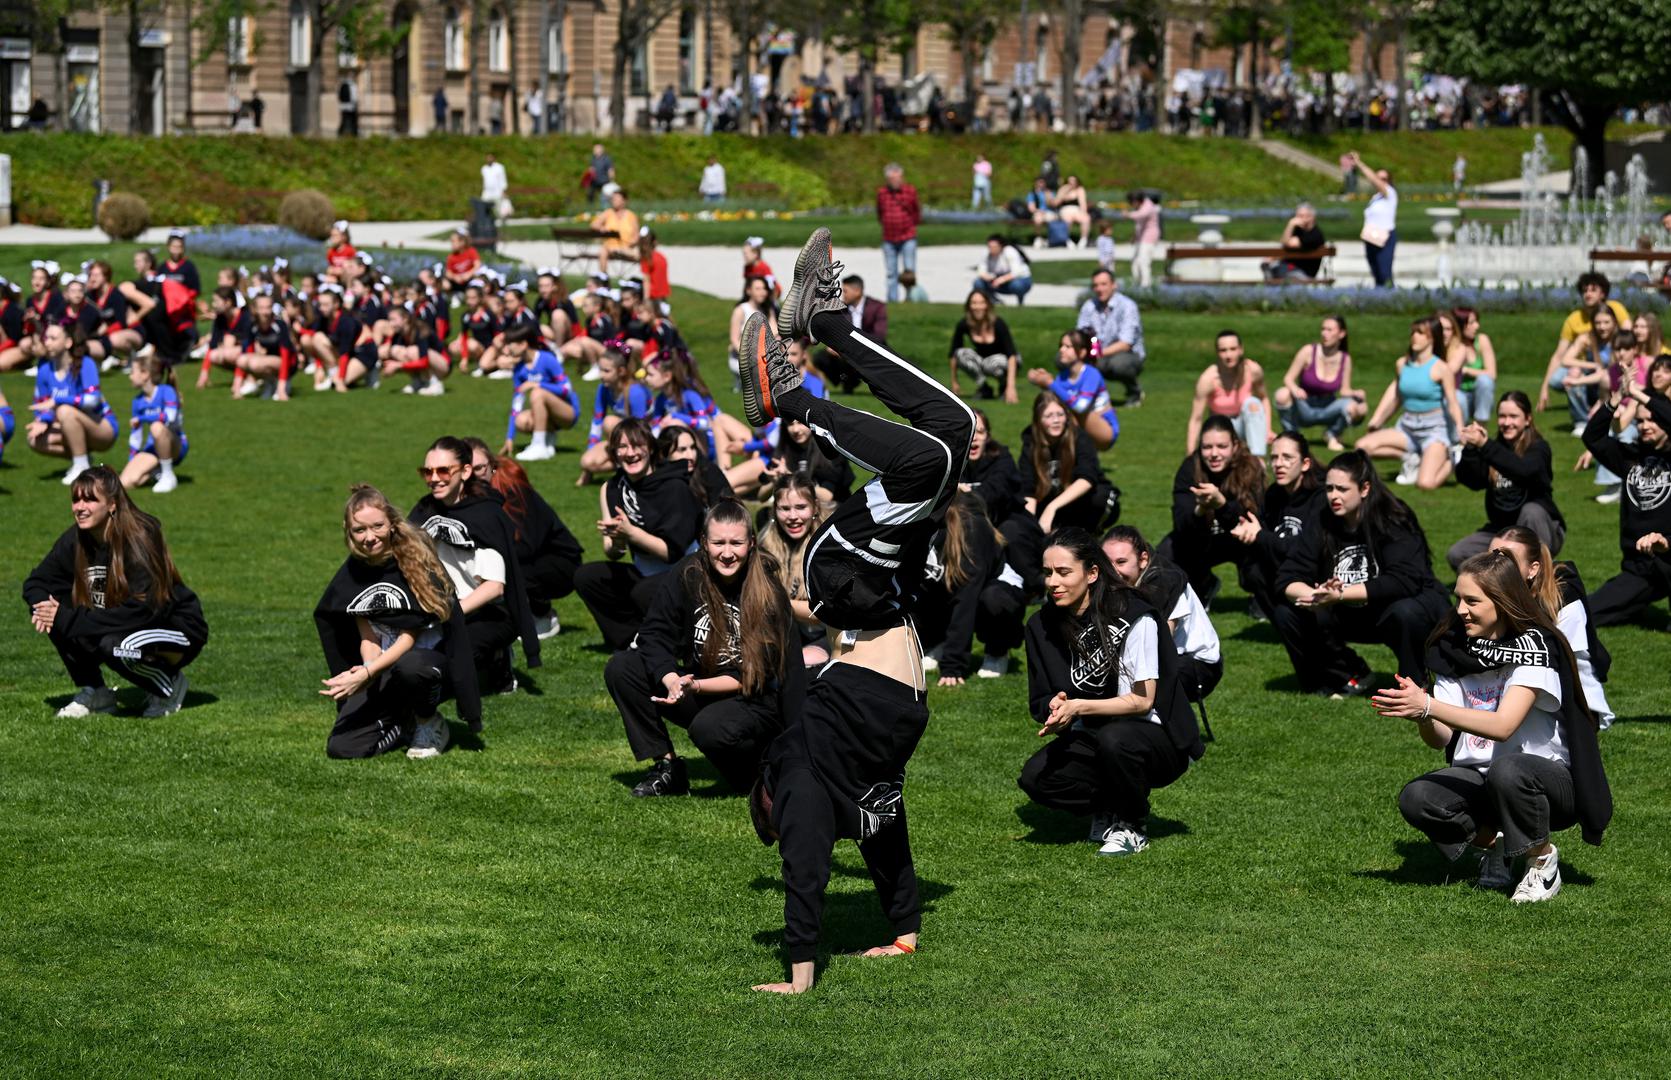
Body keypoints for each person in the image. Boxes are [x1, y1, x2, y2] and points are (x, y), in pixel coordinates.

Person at [742, 226, 975, 994]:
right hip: (856, 592)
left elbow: (804, 872)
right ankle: (819, 343)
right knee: (947, 440)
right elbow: (875, 837)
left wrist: (800, 971)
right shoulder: (840, 783)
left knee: (943, 446)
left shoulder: (802, 774)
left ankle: (812, 359)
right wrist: (903, 930)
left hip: (848, 580)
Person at [1379, 550, 1611, 903]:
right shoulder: (1451, 648)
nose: (1460, 609)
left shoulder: (1535, 645)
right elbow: (1441, 737)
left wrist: (1429, 704)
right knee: (1418, 797)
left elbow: (1504, 726)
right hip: (1483, 778)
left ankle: (1542, 861)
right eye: (1458, 597)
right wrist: (1424, 716)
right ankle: (1499, 847)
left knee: (1509, 768)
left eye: (1472, 600)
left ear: (1501, 603)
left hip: (1547, 784)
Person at [1017, 528, 1206, 856]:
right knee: (1036, 779)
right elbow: (1040, 697)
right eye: (1048, 573)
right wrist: (1055, 707)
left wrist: (1078, 707)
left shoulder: (1132, 613)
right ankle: (1109, 805)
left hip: (1156, 737)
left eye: (1063, 572)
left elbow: (1141, 700)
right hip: (1094, 733)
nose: (1052, 582)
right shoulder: (1039, 626)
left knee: (1115, 739)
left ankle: (1133, 824)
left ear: (1091, 573)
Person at [606, 499, 799, 796]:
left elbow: (752, 674)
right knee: (623, 668)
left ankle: (761, 776)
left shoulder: (767, 590)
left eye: (736, 543)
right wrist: (670, 677)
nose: (726, 553)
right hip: (696, 685)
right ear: (703, 543)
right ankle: (667, 768)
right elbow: (654, 634)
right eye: (718, 542)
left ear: (750, 543)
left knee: (709, 729)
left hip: (754, 699)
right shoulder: (689, 573)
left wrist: (694, 686)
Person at [23, 466, 207, 719]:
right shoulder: (77, 538)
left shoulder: (139, 537)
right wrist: (43, 606)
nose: (80, 507)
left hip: (174, 627)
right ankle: (97, 691)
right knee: (52, 611)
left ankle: (168, 685)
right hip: (122, 622)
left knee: (117, 646)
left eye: (89, 499)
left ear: (111, 504)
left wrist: (69, 619)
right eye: (76, 499)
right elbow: (37, 581)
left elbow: (145, 610)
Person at [315, 484, 479, 759]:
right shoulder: (355, 571)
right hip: (384, 666)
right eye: (360, 530)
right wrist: (366, 670)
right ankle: (405, 720)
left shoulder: (415, 560)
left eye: (377, 526)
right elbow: (368, 635)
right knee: (342, 748)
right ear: (348, 530)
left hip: (428, 663)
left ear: (391, 522)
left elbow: (409, 637)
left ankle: (428, 720)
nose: (369, 537)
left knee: (411, 666)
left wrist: (369, 674)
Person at [1272, 451, 1450, 697]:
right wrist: (1317, 595)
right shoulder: (1322, 518)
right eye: (1329, 488)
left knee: (1406, 612)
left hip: (1394, 609)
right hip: (1349, 610)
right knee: (1287, 611)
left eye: (1342, 489)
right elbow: (1288, 576)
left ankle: (1414, 687)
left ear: (1364, 488)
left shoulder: (1392, 515)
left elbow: (1404, 579)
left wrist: (1341, 594)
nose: (1333, 496)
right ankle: (1345, 675)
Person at [410, 436, 542, 697]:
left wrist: (449, 614)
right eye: (427, 471)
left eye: (443, 470)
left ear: (466, 471)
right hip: (440, 608)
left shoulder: (487, 515)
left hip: (490, 612)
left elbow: (495, 588)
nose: (434, 478)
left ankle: (497, 660)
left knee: (456, 654)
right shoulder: (425, 509)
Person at [573, 419, 704, 651]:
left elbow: (671, 553)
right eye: (622, 447)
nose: (630, 453)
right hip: (645, 571)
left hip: (686, 571)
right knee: (587, 577)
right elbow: (613, 552)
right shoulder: (612, 488)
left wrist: (631, 533)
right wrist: (618, 540)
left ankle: (672, 640)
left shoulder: (675, 487)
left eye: (637, 445)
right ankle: (629, 639)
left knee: (642, 591)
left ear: (650, 448)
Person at [1489, 527, 1614, 730]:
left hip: (1564, 699)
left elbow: (1565, 664)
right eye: (1490, 558)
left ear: (1533, 569)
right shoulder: (1483, 597)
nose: (1495, 568)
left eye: (1508, 562)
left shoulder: (1563, 601)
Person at [1103, 525, 1222, 713]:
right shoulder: (1117, 580)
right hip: (1172, 657)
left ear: (1143, 559)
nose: (1113, 571)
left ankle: (1164, 735)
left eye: (1121, 562)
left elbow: (1159, 645)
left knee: (1138, 680)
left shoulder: (1165, 583)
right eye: (1107, 563)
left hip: (1197, 665)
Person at [1581, 387, 1671, 626]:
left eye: (1653, 420)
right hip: (1642, 567)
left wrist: (1641, 396)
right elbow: (1593, 437)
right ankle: (1633, 605)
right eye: (1640, 421)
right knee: (1586, 614)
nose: (1645, 426)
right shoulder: (1630, 457)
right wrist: (1615, 400)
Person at [1158, 414, 1266, 608]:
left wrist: (1222, 505)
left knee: (1266, 543)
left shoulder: (1251, 467)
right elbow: (1181, 525)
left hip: (1241, 540)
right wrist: (1200, 510)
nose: (1214, 454)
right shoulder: (1190, 468)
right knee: (1165, 554)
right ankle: (1204, 583)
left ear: (1235, 445)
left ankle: (1262, 595)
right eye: (1207, 447)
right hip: (1204, 539)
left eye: (1222, 447)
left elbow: (1256, 520)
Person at [1448, 391, 1563, 568]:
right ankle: (1498, 590)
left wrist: (1485, 445)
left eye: (1513, 416)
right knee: (1458, 554)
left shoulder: (1538, 448)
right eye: (1502, 416)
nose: (1507, 422)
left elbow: (1524, 471)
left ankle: (1542, 580)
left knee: (1532, 510)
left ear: (1528, 419)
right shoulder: (1494, 448)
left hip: (1540, 529)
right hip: (1502, 530)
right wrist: (1471, 449)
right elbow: (1472, 481)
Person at [1355, 316, 1464, 490]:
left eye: (1420, 333)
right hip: (1407, 427)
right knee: (1361, 447)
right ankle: (1411, 458)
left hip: (1434, 431)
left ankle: (1453, 459)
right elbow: (1396, 399)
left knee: (1425, 483)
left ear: (1432, 338)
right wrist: (1378, 422)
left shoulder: (1441, 368)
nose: (1414, 336)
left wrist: (1459, 428)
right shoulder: (1402, 364)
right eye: (1413, 332)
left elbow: (1452, 402)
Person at [1230, 430, 1324, 617]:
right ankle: (1284, 622)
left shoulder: (1320, 498)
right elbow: (1262, 534)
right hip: (1284, 569)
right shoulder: (1274, 494)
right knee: (1253, 570)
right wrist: (1249, 533)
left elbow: (1304, 548)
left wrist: (1259, 535)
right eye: (1274, 458)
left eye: (1287, 457)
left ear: (1305, 464)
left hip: (1315, 572)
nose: (1279, 464)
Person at [26, 323, 117, 485]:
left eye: (53, 338)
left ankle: (81, 467)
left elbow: (92, 400)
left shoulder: (85, 364)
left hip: (103, 428)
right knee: (34, 440)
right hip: (72, 425)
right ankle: (82, 457)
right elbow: (42, 404)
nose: (47, 342)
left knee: (64, 411)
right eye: (46, 338)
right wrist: (43, 421)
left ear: (68, 342)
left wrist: (59, 401)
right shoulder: (44, 370)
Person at [756, 475, 831, 667]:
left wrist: (776, 600)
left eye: (800, 507)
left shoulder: (828, 548)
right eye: (785, 508)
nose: (792, 517)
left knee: (799, 663)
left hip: (828, 634)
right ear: (775, 510)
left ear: (815, 507)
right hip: (786, 632)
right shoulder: (766, 545)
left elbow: (822, 613)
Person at [1019, 392, 1118, 535]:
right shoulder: (1030, 444)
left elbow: (1087, 478)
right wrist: (1030, 524)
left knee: (1098, 498)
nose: (1056, 420)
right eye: (1049, 416)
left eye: (1060, 415)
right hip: (1050, 500)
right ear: (1038, 420)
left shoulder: (1080, 438)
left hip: (1082, 502)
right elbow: (1028, 490)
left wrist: (1052, 508)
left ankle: (1088, 535)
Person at [1537, 273, 1629, 425]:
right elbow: (1560, 356)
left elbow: (1630, 338)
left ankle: (1598, 406)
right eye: (1585, 290)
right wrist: (1544, 388)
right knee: (1561, 377)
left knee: (1601, 377)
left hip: (1612, 371)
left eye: (1593, 290)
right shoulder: (1577, 322)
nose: (1588, 294)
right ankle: (1582, 420)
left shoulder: (1616, 309)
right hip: (1588, 365)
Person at [1275, 314, 1365, 451]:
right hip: (1305, 405)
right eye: (1323, 329)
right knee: (1282, 394)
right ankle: (1291, 435)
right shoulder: (1308, 351)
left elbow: (1344, 391)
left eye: (1330, 330)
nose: (1324, 333)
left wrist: (1356, 393)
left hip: (1328, 407)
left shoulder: (1345, 359)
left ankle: (1332, 434)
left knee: (1356, 407)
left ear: (1341, 334)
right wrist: (1295, 389)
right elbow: (1288, 378)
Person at [498, 324, 580, 462]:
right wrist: (509, 438)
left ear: (523, 344)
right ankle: (548, 441)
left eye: (510, 344)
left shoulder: (547, 358)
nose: (506, 349)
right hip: (547, 413)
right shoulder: (519, 369)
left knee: (537, 393)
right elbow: (516, 405)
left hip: (568, 412)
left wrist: (538, 384)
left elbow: (567, 389)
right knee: (521, 420)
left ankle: (539, 446)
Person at [1186, 329, 1274, 458]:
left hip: (1246, 423)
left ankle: (1257, 459)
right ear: (1217, 353)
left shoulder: (1253, 370)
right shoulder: (1208, 379)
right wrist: (1190, 454)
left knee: (1253, 403)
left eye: (1233, 349)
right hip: (1220, 426)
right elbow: (1196, 419)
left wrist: (1267, 430)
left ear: (1241, 350)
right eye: (1223, 350)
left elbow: (1264, 399)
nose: (1228, 355)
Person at [1027, 329, 1119, 450]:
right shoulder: (1063, 376)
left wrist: (1051, 383)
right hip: (1082, 425)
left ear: (1081, 352)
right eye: (1061, 346)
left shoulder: (1091, 374)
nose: (1061, 350)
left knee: (1072, 412)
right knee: (1050, 410)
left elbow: (1081, 406)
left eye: (1067, 347)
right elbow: (1056, 400)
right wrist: (1041, 381)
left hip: (1105, 429)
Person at [1546, 305, 1621, 436]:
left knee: (1605, 378)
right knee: (1573, 373)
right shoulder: (1587, 337)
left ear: (1614, 322)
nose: (1602, 327)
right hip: (1593, 381)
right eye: (1598, 323)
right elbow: (1565, 360)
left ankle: (1606, 418)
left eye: (1606, 322)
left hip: (1613, 383)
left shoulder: (1621, 340)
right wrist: (1590, 365)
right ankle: (1581, 421)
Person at [1076, 269, 1145, 406]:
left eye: (1104, 284)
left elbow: (1125, 343)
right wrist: (1094, 349)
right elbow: (1086, 334)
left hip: (1127, 354)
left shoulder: (1127, 306)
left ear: (1114, 285)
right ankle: (1087, 395)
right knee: (1065, 359)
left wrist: (1097, 353)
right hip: (1100, 352)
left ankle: (1134, 392)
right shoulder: (1089, 306)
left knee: (1118, 365)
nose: (1099, 289)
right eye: (1096, 285)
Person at [118, 355, 186, 494]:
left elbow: (170, 417)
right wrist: (133, 458)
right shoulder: (137, 401)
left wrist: (143, 418)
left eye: (132, 372)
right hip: (153, 447)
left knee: (156, 427)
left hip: (175, 443)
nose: (130, 376)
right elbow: (136, 434)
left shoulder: (166, 391)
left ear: (145, 374)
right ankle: (157, 472)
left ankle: (168, 475)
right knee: (126, 482)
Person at [811, 275, 887, 395]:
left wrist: (854, 347)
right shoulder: (841, 308)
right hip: (845, 350)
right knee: (820, 358)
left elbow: (879, 335)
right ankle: (845, 382)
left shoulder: (877, 307)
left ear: (857, 291)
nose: (843, 295)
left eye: (845, 291)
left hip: (869, 348)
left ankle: (874, 386)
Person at [947, 290, 1020, 403]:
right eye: (974, 303)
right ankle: (984, 388)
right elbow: (953, 354)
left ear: (987, 305)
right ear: (969, 306)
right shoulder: (964, 324)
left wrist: (1011, 387)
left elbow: (1012, 355)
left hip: (1006, 361)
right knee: (961, 354)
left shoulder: (998, 324)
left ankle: (1004, 386)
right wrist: (954, 382)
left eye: (981, 302)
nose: (978, 307)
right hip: (985, 361)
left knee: (990, 364)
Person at [1349, 152, 1398, 286]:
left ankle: (1390, 297)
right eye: (1379, 178)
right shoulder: (1376, 198)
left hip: (1385, 236)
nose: (1379, 181)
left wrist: (1359, 164)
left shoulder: (1390, 193)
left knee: (1384, 272)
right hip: (1371, 236)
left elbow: (1374, 181)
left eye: (1383, 179)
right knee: (1376, 272)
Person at [875, 163, 920, 304]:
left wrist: (911, 225)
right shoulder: (882, 193)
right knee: (891, 273)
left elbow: (916, 211)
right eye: (892, 178)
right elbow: (880, 213)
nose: (895, 181)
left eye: (898, 178)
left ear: (902, 177)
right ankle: (892, 301)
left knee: (909, 271)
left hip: (908, 237)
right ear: (887, 179)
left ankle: (910, 298)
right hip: (889, 238)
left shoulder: (910, 191)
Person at [1451, 307, 1498, 427]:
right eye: (1471, 323)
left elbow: (1492, 374)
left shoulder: (1482, 340)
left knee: (1485, 380)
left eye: (1476, 321)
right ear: (1460, 324)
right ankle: (1462, 431)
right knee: (1458, 396)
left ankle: (1480, 428)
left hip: (1480, 396)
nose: (1477, 326)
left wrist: (1466, 370)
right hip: (1459, 396)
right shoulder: (1452, 345)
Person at [1263, 203, 1327, 281]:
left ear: (1312, 217)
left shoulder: (1315, 235)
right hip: (1289, 267)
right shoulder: (1298, 230)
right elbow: (1284, 242)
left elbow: (1289, 244)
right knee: (1269, 265)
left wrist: (1290, 225)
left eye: (1304, 216)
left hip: (1302, 272)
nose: (1300, 219)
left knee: (1277, 270)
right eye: (1298, 216)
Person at [972, 234, 1033, 307]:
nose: (991, 249)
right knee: (978, 283)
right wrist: (986, 276)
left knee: (1017, 285)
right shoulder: (986, 254)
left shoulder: (1009, 251)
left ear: (1001, 246)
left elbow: (1016, 272)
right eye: (990, 247)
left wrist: (1002, 279)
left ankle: (1020, 303)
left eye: (994, 247)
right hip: (996, 279)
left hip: (1019, 279)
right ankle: (993, 300)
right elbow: (981, 270)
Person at [590, 189, 639, 275]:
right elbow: (594, 224)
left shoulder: (631, 216)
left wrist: (632, 243)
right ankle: (603, 276)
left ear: (624, 201)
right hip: (610, 246)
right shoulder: (608, 213)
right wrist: (602, 228)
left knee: (640, 254)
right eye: (613, 199)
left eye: (616, 199)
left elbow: (636, 235)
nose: (613, 201)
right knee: (603, 250)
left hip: (626, 247)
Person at [1122, 191, 1161, 289]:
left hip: (1149, 237)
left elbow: (1141, 215)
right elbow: (1139, 224)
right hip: (1142, 236)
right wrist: (1135, 236)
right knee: (1135, 262)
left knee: (1144, 261)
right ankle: (1137, 281)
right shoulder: (1141, 206)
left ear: (1137, 201)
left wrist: (1128, 215)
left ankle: (1145, 285)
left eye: (1132, 202)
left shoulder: (1148, 206)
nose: (1131, 205)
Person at [1052, 174, 1093, 248]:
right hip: (1065, 210)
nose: (1072, 183)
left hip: (1077, 210)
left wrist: (1084, 212)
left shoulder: (1080, 190)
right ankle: (1067, 240)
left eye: (1073, 181)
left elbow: (1082, 203)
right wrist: (1063, 192)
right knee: (1068, 220)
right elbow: (1055, 203)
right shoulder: (1063, 189)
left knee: (1086, 219)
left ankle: (1083, 239)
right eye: (1070, 181)